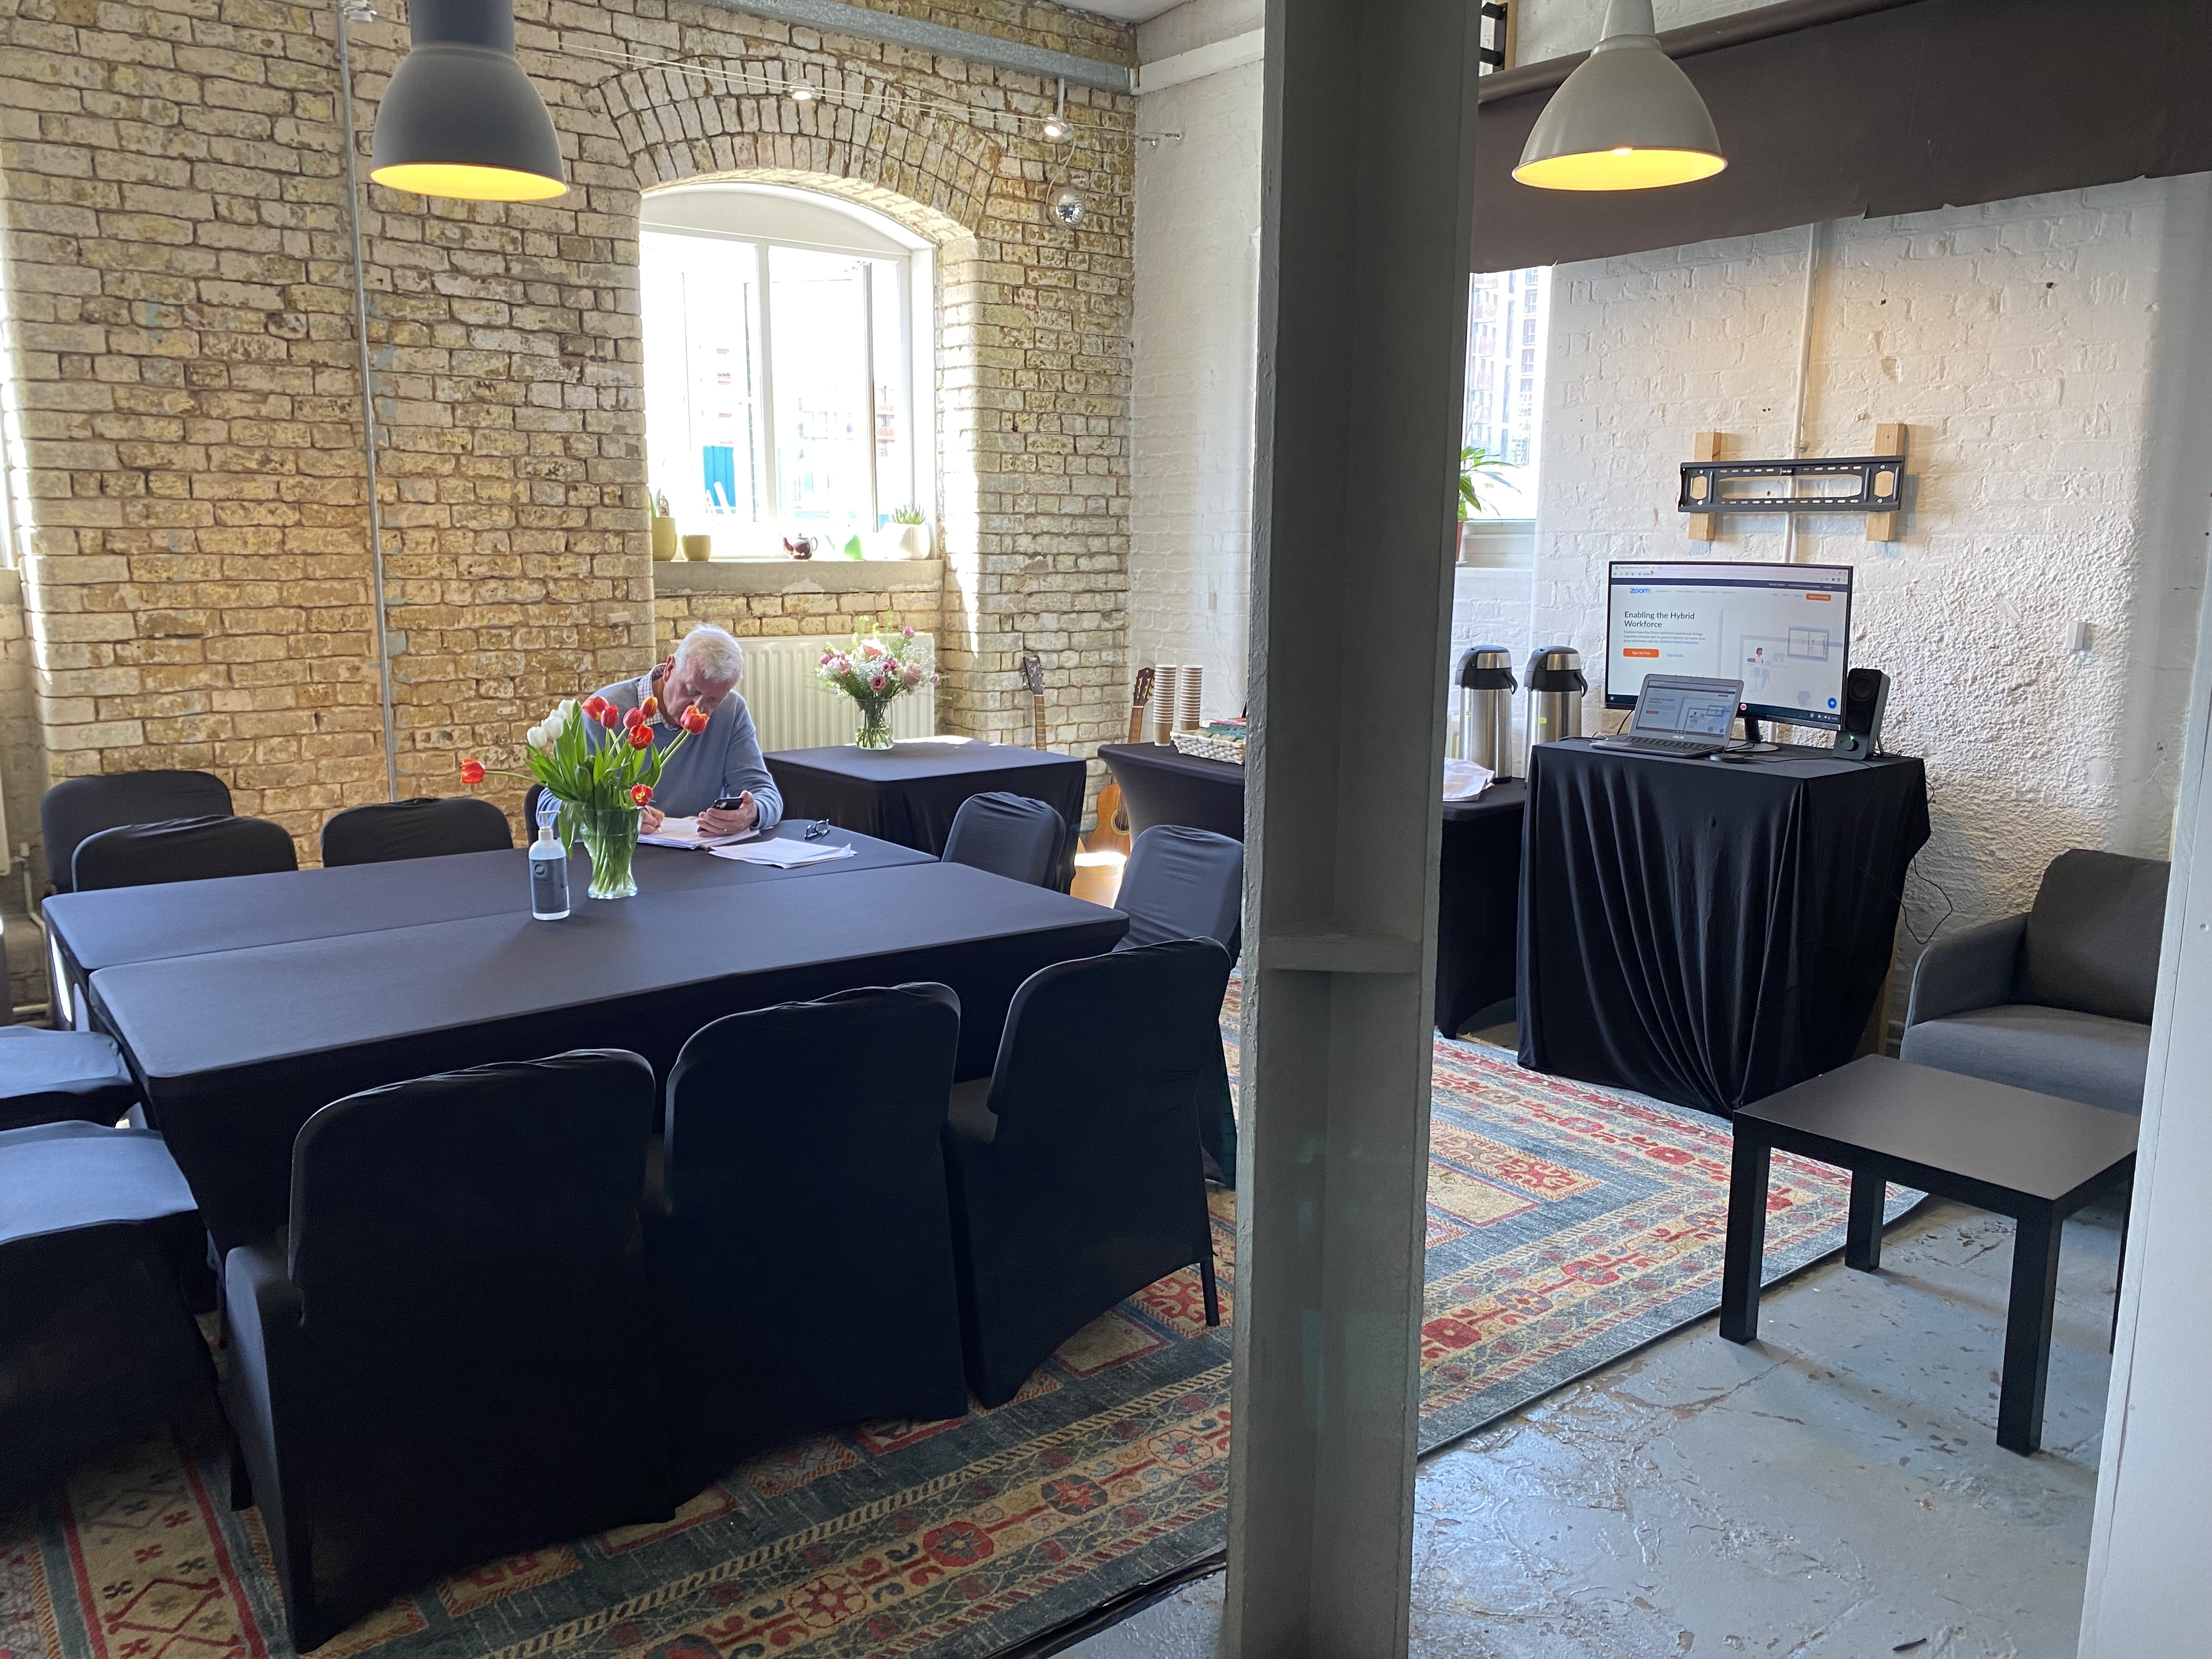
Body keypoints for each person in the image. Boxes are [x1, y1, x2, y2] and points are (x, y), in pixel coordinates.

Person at [591, 625, 783, 837]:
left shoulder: (731, 711)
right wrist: (616, 815)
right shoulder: (607, 711)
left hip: (700, 853)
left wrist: (752, 813)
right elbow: (552, 805)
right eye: (692, 691)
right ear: (670, 668)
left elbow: (764, 792)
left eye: (713, 700)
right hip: (623, 853)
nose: (698, 709)